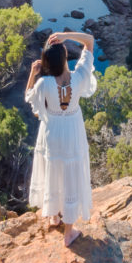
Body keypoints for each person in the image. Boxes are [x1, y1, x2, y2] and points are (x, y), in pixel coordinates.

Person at [25, 31, 96, 246]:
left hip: (51, 132)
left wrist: (32, 73)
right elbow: (90, 42)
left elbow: (29, 99)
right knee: (71, 175)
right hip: (72, 131)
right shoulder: (79, 76)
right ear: (65, 58)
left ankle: (53, 216)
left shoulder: (43, 84)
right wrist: (66, 36)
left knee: (52, 169)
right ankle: (68, 233)